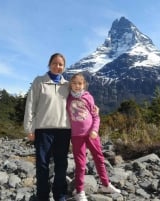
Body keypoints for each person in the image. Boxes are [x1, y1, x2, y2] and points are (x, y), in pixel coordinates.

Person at [24, 53, 71, 201]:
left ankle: (60, 195)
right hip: (43, 130)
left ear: (64, 67)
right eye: (55, 63)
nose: (58, 67)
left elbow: (80, 102)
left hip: (64, 131)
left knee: (61, 165)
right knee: (42, 165)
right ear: (49, 64)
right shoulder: (39, 82)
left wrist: (93, 108)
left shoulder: (68, 85)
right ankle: (42, 195)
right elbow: (30, 105)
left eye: (60, 64)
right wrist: (29, 129)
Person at [66, 73, 121, 201]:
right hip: (76, 136)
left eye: (80, 83)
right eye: (74, 83)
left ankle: (106, 184)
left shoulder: (88, 97)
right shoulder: (67, 98)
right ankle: (80, 191)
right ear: (70, 85)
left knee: (99, 158)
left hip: (92, 134)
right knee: (80, 164)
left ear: (84, 85)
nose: (77, 86)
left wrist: (95, 130)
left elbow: (96, 116)